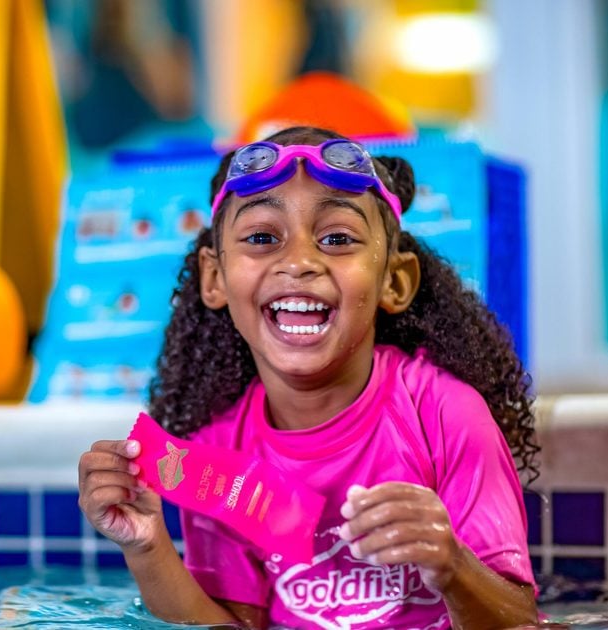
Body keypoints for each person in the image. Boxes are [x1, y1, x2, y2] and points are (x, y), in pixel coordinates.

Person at [78, 125, 540, 629]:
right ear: (216, 278)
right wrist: (147, 547)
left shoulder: (446, 415)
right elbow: (233, 626)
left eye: (337, 238)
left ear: (394, 280)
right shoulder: (217, 453)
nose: (298, 262)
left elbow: (518, 619)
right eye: (261, 238)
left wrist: (453, 564)